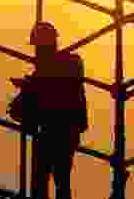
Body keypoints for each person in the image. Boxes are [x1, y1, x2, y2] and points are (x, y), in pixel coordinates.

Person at [16, 21, 88, 199]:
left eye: (38, 47)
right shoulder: (47, 69)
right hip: (50, 130)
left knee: (58, 180)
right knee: (44, 181)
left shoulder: (70, 63)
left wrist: (31, 86)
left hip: (62, 130)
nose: (36, 52)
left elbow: (60, 90)